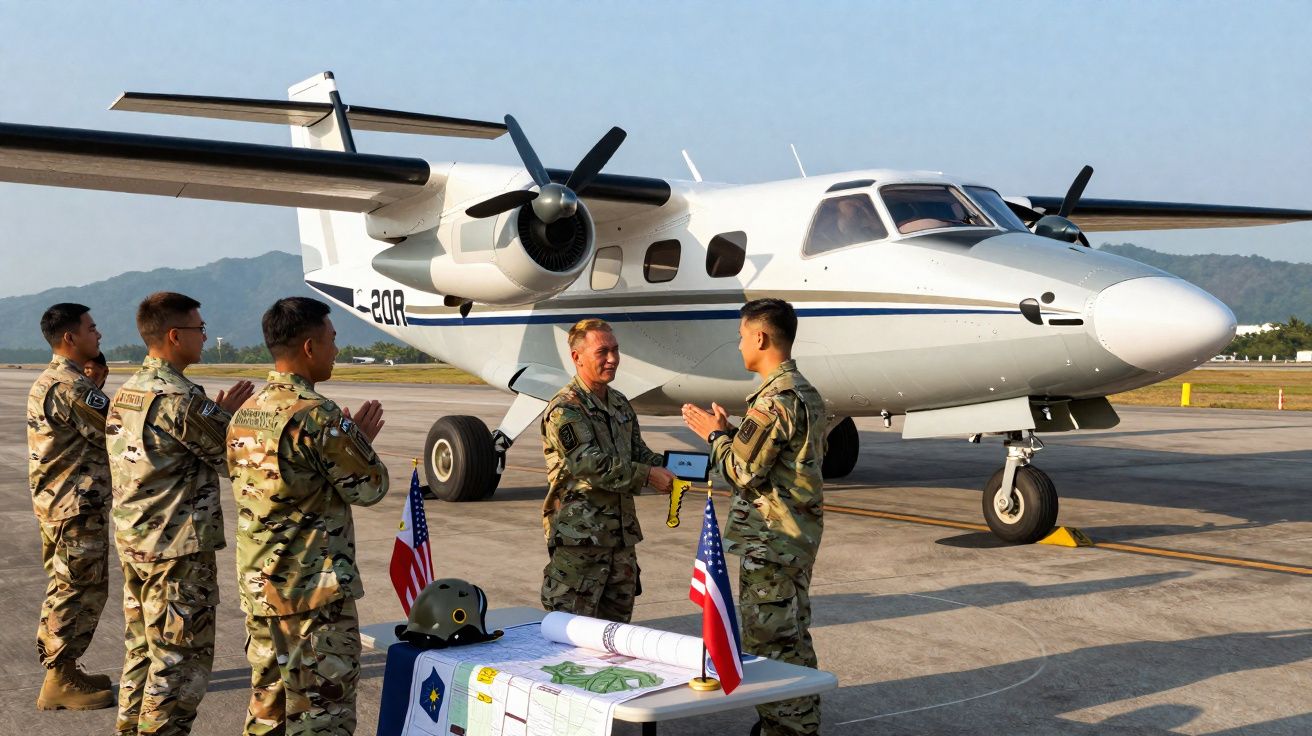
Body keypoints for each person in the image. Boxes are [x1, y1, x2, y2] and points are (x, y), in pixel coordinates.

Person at [226, 297, 388, 735]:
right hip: (311, 596)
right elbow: (371, 488)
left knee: (269, 714)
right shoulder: (316, 415)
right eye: (332, 340)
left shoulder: (245, 412)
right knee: (323, 716)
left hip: (262, 589)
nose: (336, 350)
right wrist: (359, 441)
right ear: (311, 348)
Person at [106, 292, 254, 734]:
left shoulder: (127, 392)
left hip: (136, 544)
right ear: (175, 336)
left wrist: (217, 416)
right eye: (199, 329)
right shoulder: (182, 399)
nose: (205, 337)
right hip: (176, 552)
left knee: (143, 653)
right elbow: (238, 461)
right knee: (180, 665)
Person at [681, 298, 826, 736]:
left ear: (760, 338)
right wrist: (728, 433)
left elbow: (741, 471)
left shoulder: (773, 401)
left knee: (772, 642)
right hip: (795, 537)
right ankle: (800, 722)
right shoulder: (805, 392)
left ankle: (788, 728)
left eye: (743, 336)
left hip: (772, 541)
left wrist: (713, 436)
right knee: (794, 634)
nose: (740, 344)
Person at [539, 318, 677, 623]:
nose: (613, 359)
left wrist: (673, 468)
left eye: (615, 350)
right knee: (571, 635)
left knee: (616, 635)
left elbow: (638, 452)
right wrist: (646, 476)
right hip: (581, 544)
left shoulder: (619, 403)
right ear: (577, 357)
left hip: (621, 541)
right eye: (603, 351)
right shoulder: (566, 409)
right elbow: (588, 463)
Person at [26, 302, 115, 710]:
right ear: (70, 337)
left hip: (62, 505)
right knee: (77, 591)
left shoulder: (59, 381)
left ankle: (64, 669)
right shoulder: (70, 387)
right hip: (74, 507)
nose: (98, 335)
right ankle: (58, 680)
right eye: (92, 329)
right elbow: (119, 431)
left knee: (71, 587)